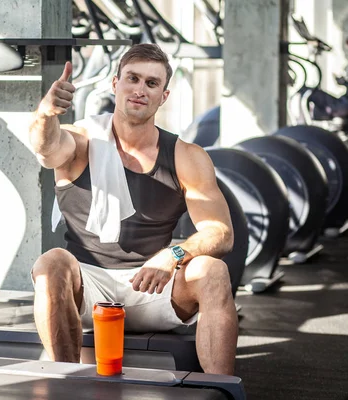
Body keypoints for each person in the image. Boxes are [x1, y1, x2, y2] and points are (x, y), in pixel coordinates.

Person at [28, 43, 238, 375]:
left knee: (212, 271)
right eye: (133, 78)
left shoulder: (186, 156)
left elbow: (221, 233)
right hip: (89, 286)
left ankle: (222, 388)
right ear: (116, 84)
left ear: (163, 96)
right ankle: (63, 382)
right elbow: (47, 149)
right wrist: (45, 115)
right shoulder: (82, 139)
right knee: (51, 262)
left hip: (155, 287)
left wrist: (173, 256)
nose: (140, 89)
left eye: (151, 83)